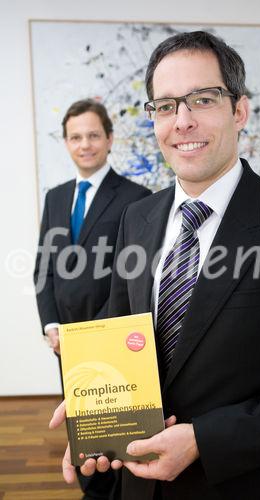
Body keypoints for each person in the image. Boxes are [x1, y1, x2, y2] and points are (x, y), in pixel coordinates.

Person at [50, 32, 260, 500]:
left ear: (239, 111)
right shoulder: (137, 217)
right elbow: (117, 327)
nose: (183, 121)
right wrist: (92, 399)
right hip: (137, 480)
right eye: (167, 105)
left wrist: (204, 440)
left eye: (203, 99)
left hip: (245, 485)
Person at [34, 98, 151, 499]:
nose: (85, 144)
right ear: (66, 142)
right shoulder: (55, 196)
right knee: (80, 431)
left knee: (116, 433)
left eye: (93, 135)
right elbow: (43, 267)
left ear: (109, 139)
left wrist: (91, 334)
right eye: (75, 137)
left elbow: (133, 278)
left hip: (113, 338)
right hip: (63, 342)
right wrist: (52, 326)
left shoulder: (138, 197)